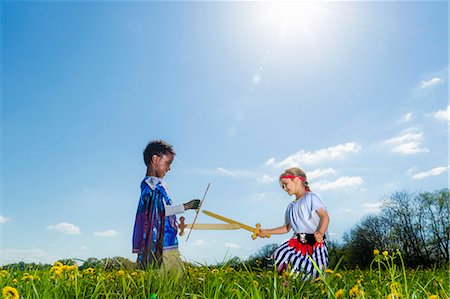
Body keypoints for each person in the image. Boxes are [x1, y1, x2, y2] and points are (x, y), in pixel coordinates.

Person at [132, 140, 200, 271]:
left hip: (169, 242)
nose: (169, 168)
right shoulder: (151, 185)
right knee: (162, 281)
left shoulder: (159, 184)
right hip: (159, 246)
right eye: (168, 162)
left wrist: (176, 224)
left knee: (176, 280)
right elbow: (159, 212)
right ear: (155, 159)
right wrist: (186, 206)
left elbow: (164, 214)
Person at [258, 167, 330, 280]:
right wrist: (267, 231)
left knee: (317, 272)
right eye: (282, 186)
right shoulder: (291, 207)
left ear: (296, 179)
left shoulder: (311, 198)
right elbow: (286, 228)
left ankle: (317, 287)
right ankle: (285, 283)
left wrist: (320, 232)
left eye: (286, 184)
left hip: (316, 243)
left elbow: (324, 216)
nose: (284, 188)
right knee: (281, 254)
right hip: (297, 244)